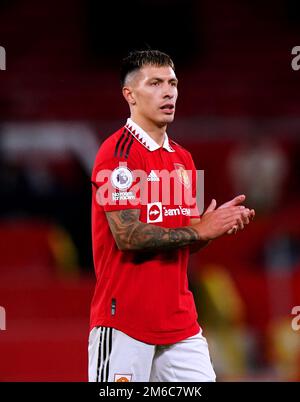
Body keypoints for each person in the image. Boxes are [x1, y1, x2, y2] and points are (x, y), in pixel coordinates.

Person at [88, 49, 255, 382]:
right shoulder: (115, 153)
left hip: (180, 323)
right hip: (124, 322)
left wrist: (212, 227)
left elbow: (183, 239)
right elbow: (128, 237)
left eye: (173, 83)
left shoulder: (184, 159)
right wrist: (199, 231)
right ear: (130, 94)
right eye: (155, 83)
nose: (169, 92)